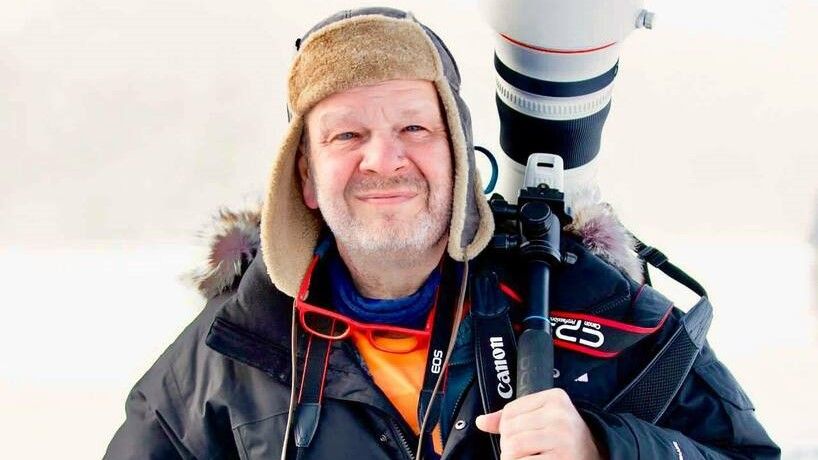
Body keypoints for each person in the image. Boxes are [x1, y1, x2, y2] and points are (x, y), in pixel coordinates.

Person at [105, 7, 779, 459]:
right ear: (305, 179)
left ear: (459, 157)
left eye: (414, 128)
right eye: (348, 134)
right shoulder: (232, 352)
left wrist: (607, 447)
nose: (384, 160)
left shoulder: (587, 305)